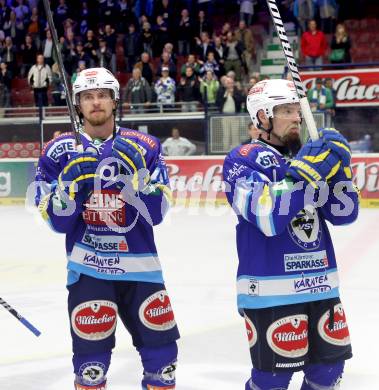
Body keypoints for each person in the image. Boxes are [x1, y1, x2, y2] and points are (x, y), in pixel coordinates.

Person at [34, 67, 180, 390]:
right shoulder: (57, 153)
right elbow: (55, 221)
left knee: (164, 362)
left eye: (102, 95)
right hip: (89, 272)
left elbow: (159, 211)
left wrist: (139, 177)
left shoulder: (145, 146)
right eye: (88, 97)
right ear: (77, 105)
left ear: (115, 101)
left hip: (142, 271)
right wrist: (70, 186)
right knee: (91, 369)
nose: (96, 102)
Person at [223, 79, 359, 390]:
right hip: (271, 288)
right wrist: (303, 172)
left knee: (328, 373)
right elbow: (267, 215)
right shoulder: (241, 159)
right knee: (273, 379)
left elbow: (344, 214)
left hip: (321, 285)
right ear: (262, 117)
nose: (297, 117)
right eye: (286, 110)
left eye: (298, 110)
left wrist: (341, 171)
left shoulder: (306, 157)